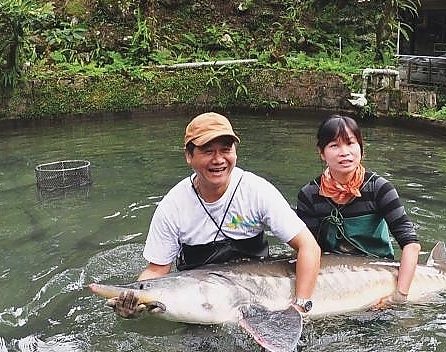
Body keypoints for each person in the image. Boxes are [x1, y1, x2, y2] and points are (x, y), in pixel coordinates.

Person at [112, 112, 321, 317]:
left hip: (257, 294)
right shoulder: (173, 206)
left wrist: (300, 307)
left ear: (235, 152)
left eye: (225, 149)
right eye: (208, 151)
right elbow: (157, 270)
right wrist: (134, 298)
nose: (218, 159)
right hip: (202, 297)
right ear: (188, 155)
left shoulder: (256, 191)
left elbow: (308, 246)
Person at [296, 114, 421, 306]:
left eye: (350, 143)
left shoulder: (379, 188)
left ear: (361, 148)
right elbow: (307, 248)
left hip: (378, 275)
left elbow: (411, 243)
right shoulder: (309, 194)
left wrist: (399, 296)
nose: (344, 152)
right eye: (334, 146)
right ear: (322, 153)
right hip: (331, 277)